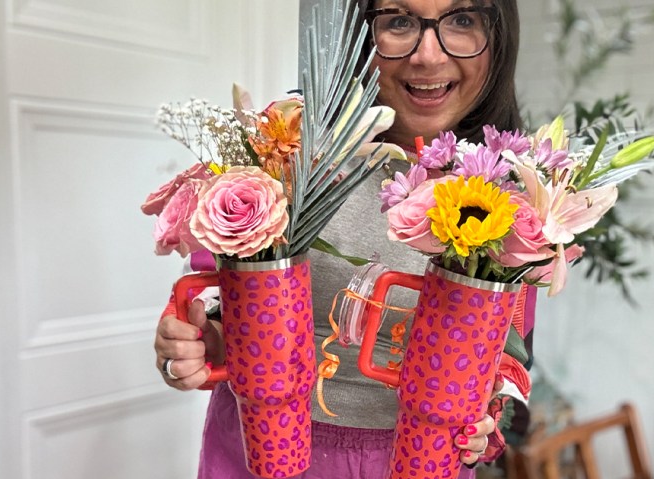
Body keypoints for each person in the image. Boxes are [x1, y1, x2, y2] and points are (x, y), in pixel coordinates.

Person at [153, 0, 532, 477]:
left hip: (418, 460)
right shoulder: (287, 145)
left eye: (462, 20)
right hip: (258, 448)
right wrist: (206, 340)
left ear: (499, 38)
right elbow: (218, 290)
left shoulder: (516, 198)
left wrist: (484, 427)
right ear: (361, 37)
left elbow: (511, 359)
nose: (428, 56)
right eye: (398, 21)